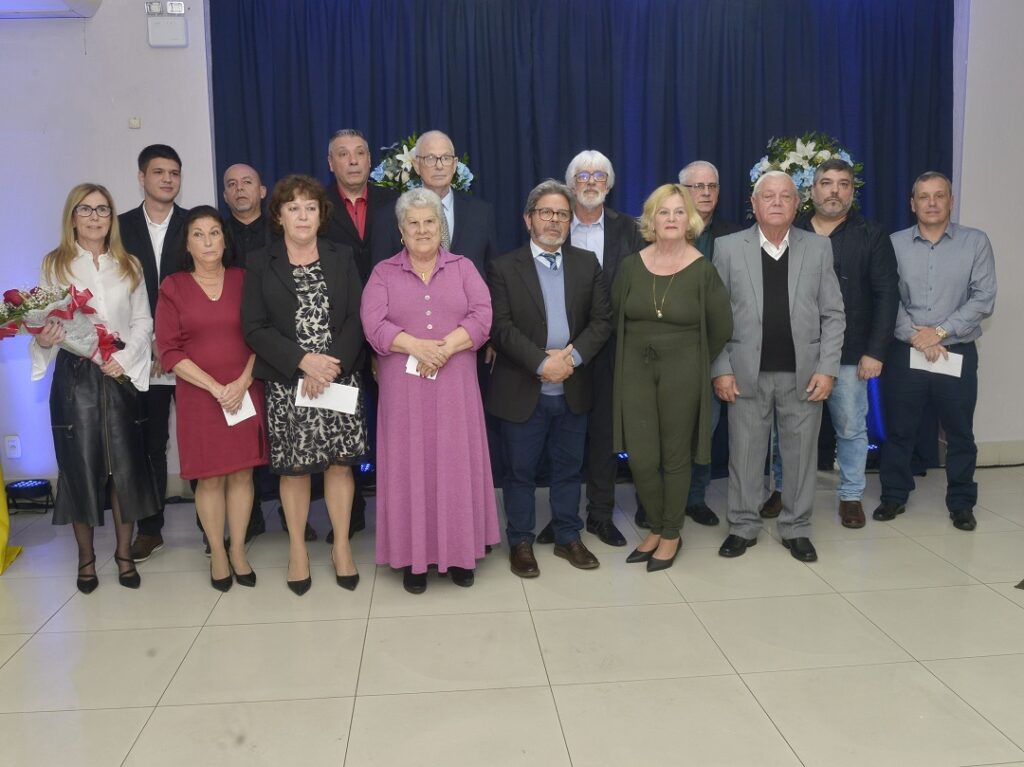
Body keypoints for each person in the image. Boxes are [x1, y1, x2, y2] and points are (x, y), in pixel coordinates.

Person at [361, 188, 499, 594]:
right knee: (409, 470)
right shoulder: (384, 272)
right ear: (401, 231)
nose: (422, 229)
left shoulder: (463, 268)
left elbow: (483, 315)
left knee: (456, 467)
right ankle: (413, 559)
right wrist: (416, 345)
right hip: (404, 393)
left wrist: (445, 347)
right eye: (413, 223)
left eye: (430, 221)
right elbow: (373, 325)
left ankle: (461, 554)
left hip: (456, 387)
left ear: (442, 227)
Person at [242, 175, 368, 594]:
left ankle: (342, 547)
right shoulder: (261, 261)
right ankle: (297, 550)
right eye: (293, 207)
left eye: (310, 207)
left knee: (340, 465)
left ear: (321, 214)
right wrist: (303, 362)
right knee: (294, 471)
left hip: (337, 374)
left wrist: (328, 367)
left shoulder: (342, 255)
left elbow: (356, 317)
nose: (302, 215)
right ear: (278, 215)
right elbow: (255, 328)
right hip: (287, 381)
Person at [30, 183, 159, 592]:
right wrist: (45, 339)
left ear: (111, 217)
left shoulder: (129, 263)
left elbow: (143, 321)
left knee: (125, 468)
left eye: (103, 209)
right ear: (72, 216)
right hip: (74, 376)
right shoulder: (54, 264)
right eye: (85, 209)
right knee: (80, 468)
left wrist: (123, 357)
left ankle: (124, 555)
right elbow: (46, 322)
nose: (95, 217)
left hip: (119, 371)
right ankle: (86, 560)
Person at [712, 171, 845, 563]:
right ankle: (741, 525)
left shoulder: (818, 248)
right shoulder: (727, 248)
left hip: (803, 374)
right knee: (744, 455)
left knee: (801, 456)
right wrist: (720, 368)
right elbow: (715, 316)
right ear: (753, 205)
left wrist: (828, 368)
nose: (775, 202)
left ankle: (797, 528)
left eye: (784, 196)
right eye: (766, 196)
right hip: (744, 372)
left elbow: (834, 314)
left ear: (796, 204)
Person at [487, 180, 612, 578]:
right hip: (523, 387)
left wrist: (570, 358)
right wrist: (543, 364)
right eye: (546, 213)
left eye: (562, 214)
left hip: (573, 386)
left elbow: (602, 320)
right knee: (520, 472)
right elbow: (500, 328)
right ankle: (521, 541)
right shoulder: (504, 267)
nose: (555, 221)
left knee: (568, 468)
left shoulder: (586, 263)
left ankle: (566, 536)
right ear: (528, 219)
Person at [612, 184, 733, 571]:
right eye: (663, 212)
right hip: (635, 368)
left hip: (683, 370)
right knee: (643, 458)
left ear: (690, 220)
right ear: (651, 219)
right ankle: (657, 525)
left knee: (676, 456)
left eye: (679, 212)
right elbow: (615, 316)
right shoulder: (631, 265)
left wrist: (693, 362)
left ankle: (670, 532)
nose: (671, 219)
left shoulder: (703, 270)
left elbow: (721, 327)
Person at [533, 150, 644, 548]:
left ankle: (599, 514)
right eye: (583, 175)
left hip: (613, 348)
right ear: (570, 184)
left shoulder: (630, 229)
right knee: (560, 434)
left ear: (609, 185)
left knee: (603, 435)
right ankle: (562, 516)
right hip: (560, 352)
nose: (592, 182)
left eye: (600, 175)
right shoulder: (551, 225)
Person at [874, 172, 996, 531]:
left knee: (959, 432)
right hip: (906, 352)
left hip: (955, 351)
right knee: (898, 430)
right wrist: (917, 338)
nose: (931, 203)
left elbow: (984, 297)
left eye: (939, 196)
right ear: (912, 204)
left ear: (950, 201)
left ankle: (961, 502)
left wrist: (940, 332)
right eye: (923, 197)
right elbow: (887, 298)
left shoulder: (976, 242)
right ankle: (894, 495)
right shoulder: (893, 244)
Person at [156, 206, 267, 592]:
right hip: (200, 397)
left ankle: (238, 550)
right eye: (198, 234)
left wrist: (241, 382)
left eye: (215, 233)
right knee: (210, 478)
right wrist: (215, 388)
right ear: (186, 244)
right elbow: (168, 352)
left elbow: (261, 335)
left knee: (241, 473)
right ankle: (217, 552)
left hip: (245, 390)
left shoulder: (244, 279)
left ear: (225, 238)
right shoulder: (173, 286)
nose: (208, 242)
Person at [794, 158, 899, 528]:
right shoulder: (791, 231)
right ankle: (781, 489)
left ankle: (851, 494)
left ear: (852, 191)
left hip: (852, 353)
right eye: (826, 183)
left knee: (852, 428)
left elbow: (887, 296)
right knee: (785, 429)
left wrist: (875, 351)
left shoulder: (871, 234)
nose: (834, 191)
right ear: (812, 190)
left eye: (842, 184)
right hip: (795, 352)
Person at [323, 128, 401, 541]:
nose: (352, 161)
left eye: (360, 153)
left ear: (371, 161)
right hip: (339, 333)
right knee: (343, 420)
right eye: (343, 154)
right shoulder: (317, 207)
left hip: (394, 329)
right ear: (330, 163)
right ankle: (348, 515)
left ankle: (397, 507)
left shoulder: (393, 203)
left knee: (394, 422)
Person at [118, 144, 189, 563]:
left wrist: (173, 341)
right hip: (142, 353)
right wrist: (152, 342)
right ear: (141, 176)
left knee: (202, 436)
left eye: (174, 173)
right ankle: (150, 529)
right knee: (149, 442)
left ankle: (210, 526)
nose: (167, 179)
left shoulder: (195, 223)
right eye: (159, 172)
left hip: (190, 353)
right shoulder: (119, 228)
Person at [673, 160, 743, 528]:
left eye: (711, 186)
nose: (704, 193)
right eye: (697, 186)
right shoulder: (664, 229)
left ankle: (695, 497)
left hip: (715, 350)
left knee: (705, 430)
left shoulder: (735, 235)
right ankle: (655, 497)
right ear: (682, 190)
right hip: (668, 351)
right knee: (663, 429)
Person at [220, 163, 273, 544]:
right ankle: (248, 517)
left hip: (281, 341)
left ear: (263, 190)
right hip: (234, 344)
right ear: (224, 195)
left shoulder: (283, 228)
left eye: (247, 183)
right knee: (242, 431)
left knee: (284, 428)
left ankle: (293, 511)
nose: (240, 190)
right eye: (232, 185)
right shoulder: (216, 235)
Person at [370, 130, 499, 277]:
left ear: (455, 164)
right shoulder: (389, 216)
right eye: (430, 158)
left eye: (446, 158)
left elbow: (493, 274)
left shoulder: (481, 213)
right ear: (417, 165)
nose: (439, 166)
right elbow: (380, 276)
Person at [222, 163, 272, 263]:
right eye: (232, 184)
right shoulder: (218, 234)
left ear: (262, 192)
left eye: (247, 182)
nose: (239, 188)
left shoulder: (280, 232)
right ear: (225, 197)